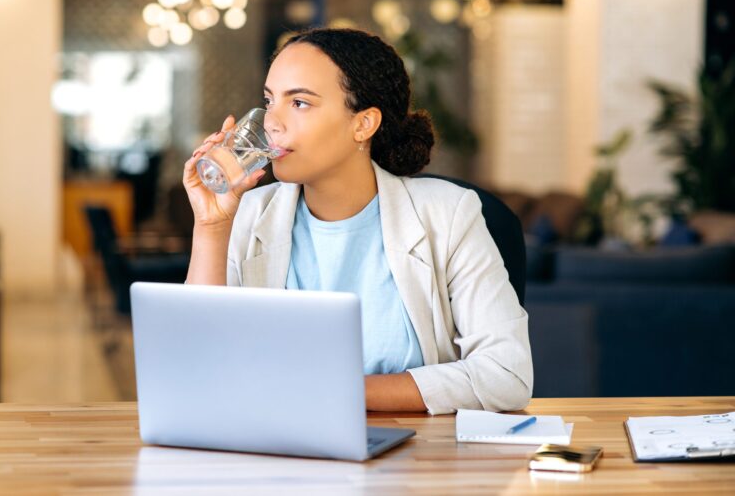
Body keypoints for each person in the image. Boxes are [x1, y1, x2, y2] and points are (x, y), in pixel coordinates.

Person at [183, 28, 532, 415]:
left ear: (363, 124)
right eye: (269, 100)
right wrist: (211, 226)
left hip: (415, 459)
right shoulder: (250, 214)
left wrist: (336, 392)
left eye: (299, 103)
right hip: (277, 453)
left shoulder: (449, 214)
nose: (271, 123)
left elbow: (507, 375)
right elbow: (196, 368)